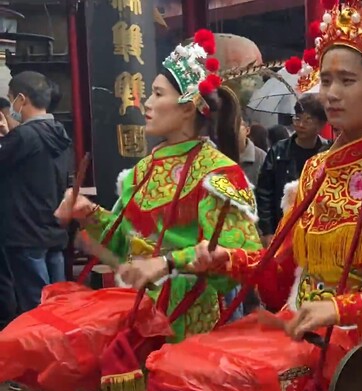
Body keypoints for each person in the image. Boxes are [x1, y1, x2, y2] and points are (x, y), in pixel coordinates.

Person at [127, 1, 362, 391]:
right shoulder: (316, 170)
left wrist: (341, 309)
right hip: (300, 328)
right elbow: (283, 267)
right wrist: (228, 259)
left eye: (347, 81)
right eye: (326, 80)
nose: (332, 94)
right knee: (182, 368)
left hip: (357, 352)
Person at [56, 29, 262, 342]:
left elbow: (243, 256)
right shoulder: (143, 169)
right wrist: (90, 214)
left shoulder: (218, 173)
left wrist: (169, 262)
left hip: (192, 322)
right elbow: (126, 246)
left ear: (188, 107)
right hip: (139, 316)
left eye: (158, 93)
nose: (146, 103)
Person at [0, 71, 71, 315]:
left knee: (36, 309)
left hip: (25, 234)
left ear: (22, 99)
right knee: (57, 305)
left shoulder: (24, 136)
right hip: (52, 232)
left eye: (11, 100)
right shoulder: (59, 133)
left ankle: (44, 354)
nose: (12, 108)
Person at [255, 94, 330, 246]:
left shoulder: (326, 152)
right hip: (281, 227)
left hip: (315, 230)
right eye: (297, 118)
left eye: (308, 120)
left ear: (321, 124)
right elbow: (264, 192)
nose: (301, 125)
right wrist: (268, 230)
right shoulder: (278, 151)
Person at [230, 107, 266, 185]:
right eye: (230, 125)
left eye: (237, 124)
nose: (233, 129)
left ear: (247, 130)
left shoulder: (261, 157)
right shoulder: (220, 155)